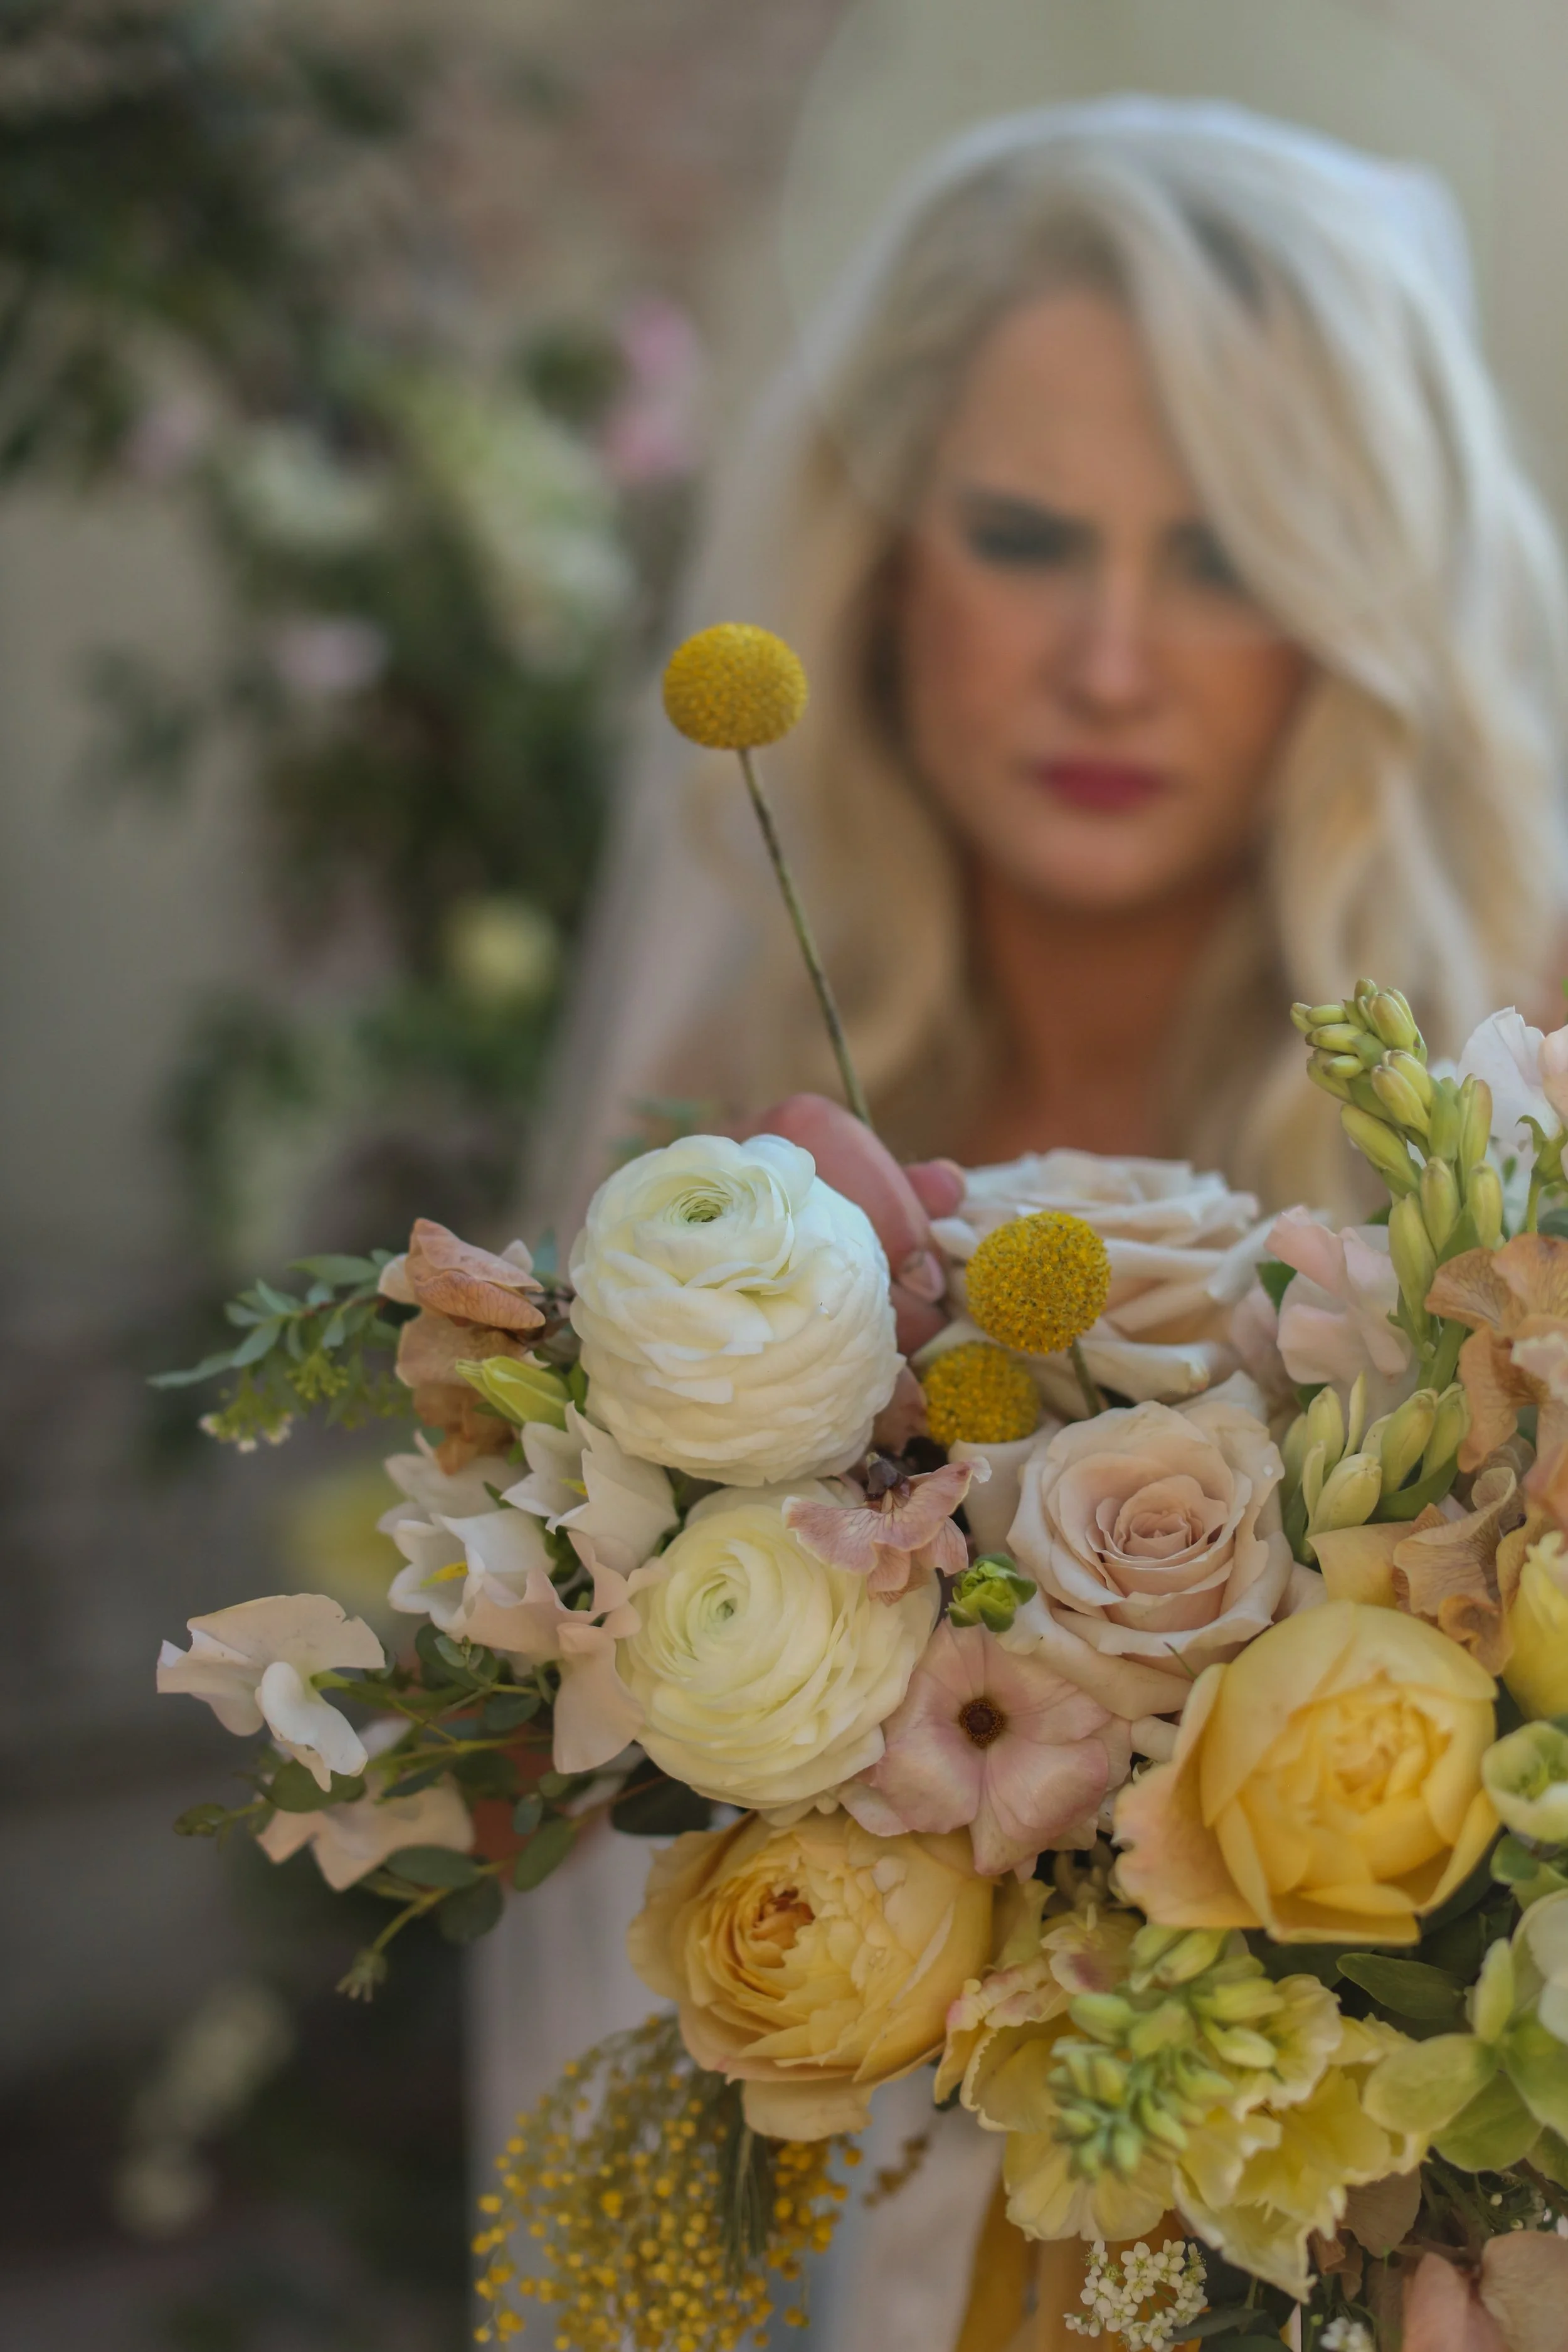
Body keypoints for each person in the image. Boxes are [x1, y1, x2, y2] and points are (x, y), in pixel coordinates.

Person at [478, 99, 1568, 2349]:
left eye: (1226, 554)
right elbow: (567, 1869)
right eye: (1021, 535)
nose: (1108, 660)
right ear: (880, 564)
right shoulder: (726, 1176)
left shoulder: (1523, 1114)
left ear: (1358, 599)